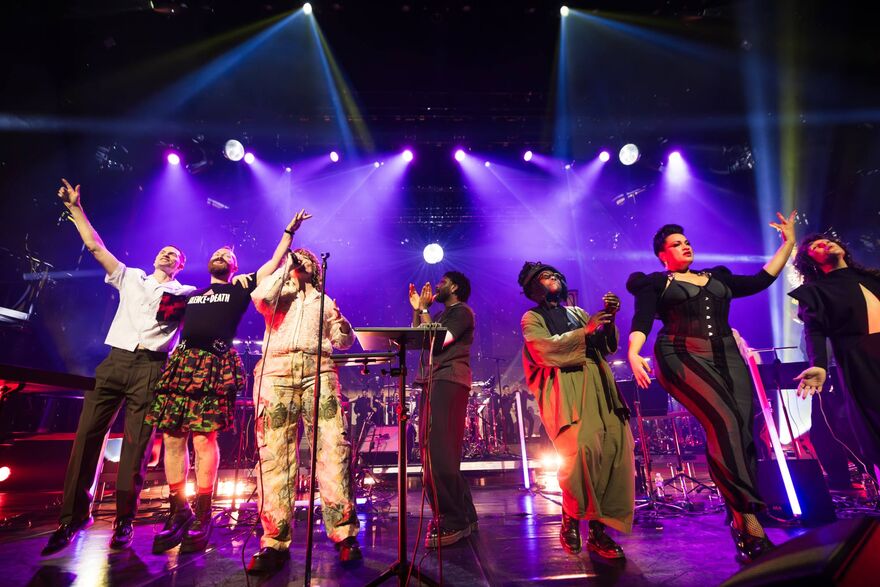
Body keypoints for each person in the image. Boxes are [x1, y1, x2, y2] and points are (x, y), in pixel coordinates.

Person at [625, 212, 796, 564]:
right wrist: (633, 350)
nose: (684, 246)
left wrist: (788, 244)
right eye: (676, 244)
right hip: (679, 353)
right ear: (662, 254)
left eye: (686, 241)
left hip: (728, 356)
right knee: (725, 422)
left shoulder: (717, 276)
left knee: (743, 430)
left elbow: (762, 280)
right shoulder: (656, 283)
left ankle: (738, 515)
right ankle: (749, 521)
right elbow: (641, 319)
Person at [42, 179, 196, 555]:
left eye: (174, 253)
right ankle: (73, 517)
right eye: (163, 249)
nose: (166, 253)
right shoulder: (131, 278)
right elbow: (95, 246)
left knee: (137, 445)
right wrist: (76, 209)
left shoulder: (186, 293)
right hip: (115, 362)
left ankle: (125, 519)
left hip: (152, 367)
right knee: (87, 438)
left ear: (180, 266)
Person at [145, 211, 311, 554]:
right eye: (218, 254)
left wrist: (288, 233)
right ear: (208, 264)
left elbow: (270, 264)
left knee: (204, 440)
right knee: (173, 437)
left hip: (214, 364)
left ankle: (203, 515)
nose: (222, 256)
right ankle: (180, 511)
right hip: (182, 363)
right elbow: (153, 319)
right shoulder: (191, 293)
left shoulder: (239, 287)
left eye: (228, 256)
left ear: (233, 267)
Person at [246, 241, 361, 575]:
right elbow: (259, 298)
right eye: (300, 258)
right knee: (275, 455)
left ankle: (344, 534)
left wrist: (344, 327)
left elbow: (342, 342)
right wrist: (285, 267)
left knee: (332, 449)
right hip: (277, 371)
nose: (304, 260)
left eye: (309, 259)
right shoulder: (277, 291)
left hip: (318, 370)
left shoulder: (324, 302)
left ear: (318, 269)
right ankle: (274, 541)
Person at [518, 261, 634, 558]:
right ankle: (570, 515)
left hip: (599, 381)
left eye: (555, 274)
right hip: (568, 387)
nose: (553, 277)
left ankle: (598, 531)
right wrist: (587, 331)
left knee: (612, 452)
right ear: (533, 287)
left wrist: (609, 320)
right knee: (580, 452)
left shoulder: (578, 313)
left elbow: (606, 347)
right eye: (545, 276)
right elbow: (543, 349)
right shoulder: (531, 318)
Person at [789, 234, 880, 477]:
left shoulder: (872, 277)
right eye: (814, 246)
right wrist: (818, 365)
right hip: (861, 360)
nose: (824, 243)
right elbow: (814, 332)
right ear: (810, 261)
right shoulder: (815, 292)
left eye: (827, 240)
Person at [409, 271, 478, 548]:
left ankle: (451, 520)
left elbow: (437, 343)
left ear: (456, 287)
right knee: (437, 450)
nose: (437, 285)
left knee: (438, 452)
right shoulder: (440, 316)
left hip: (448, 379)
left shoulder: (462, 312)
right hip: (435, 380)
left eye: (443, 282)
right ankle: (465, 516)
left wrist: (425, 309)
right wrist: (418, 311)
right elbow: (418, 340)